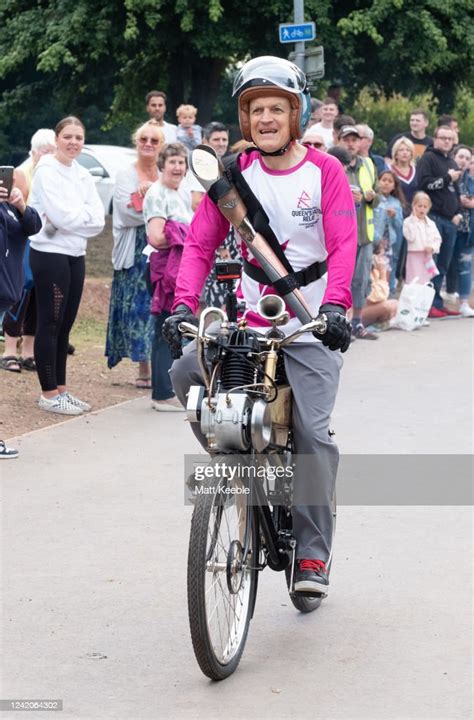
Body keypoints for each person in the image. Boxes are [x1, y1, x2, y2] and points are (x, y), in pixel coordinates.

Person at [163, 56, 357, 596]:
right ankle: (244, 474)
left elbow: (344, 246)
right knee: (185, 377)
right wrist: (182, 306)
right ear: (245, 119)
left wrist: (337, 308)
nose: (267, 118)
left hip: (311, 324)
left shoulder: (327, 172)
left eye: (277, 108)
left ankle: (313, 554)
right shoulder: (231, 175)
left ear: (294, 115)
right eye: (256, 109)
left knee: (314, 434)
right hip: (247, 323)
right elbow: (200, 245)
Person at [29, 116, 105, 415]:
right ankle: (48, 393)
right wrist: (75, 220)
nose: (73, 142)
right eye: (68, 136)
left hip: (75, 253)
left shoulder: (83, 174)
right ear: (57, 139)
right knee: (49, 322)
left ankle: (61, 389)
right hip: (49, 253)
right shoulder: (46, 170)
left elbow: (98, 220)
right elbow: (59, 216)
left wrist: (74, 223)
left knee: (65, 326)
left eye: (78, 137)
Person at [105, 120, 163, 386]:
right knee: (139, 308)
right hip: (135, 249)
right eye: (143, 140)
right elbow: (126, 213)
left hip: (163, 247)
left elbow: (180, 208)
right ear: (136, 143)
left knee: (159, 306)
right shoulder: (125, 174)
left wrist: (148, 201)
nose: (148, 144)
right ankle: (144, 368)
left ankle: (163, 366)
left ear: (161, 145)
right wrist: (155, 206)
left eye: (154, 140)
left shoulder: (167, 172)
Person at [2, 129, 56, 373]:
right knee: (20, 292)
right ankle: (10, 349)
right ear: (33, 152)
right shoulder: (21, 175)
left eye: (52, 150)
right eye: (45, 150)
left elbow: (34, 221)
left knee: (37, 296)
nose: (49, 155)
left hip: (50, 242)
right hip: (23, 248)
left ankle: (28, 350)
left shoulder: (57, 174)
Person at [143, 143, 192, 411]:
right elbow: (157, 237)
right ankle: (161, 393)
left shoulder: (180, 193)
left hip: (180, 267)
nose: (177, 167)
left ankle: (172, 388)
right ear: (162, 165)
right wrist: (183, 232)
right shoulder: (157, 194)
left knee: (178, 327)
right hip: (162, 269)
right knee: (165, 329)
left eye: (181, 162)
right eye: (172, 162)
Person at [336, 124, 380, 339]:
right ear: (339, 141)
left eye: (355, 139)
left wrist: (371, 197)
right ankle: (341, 324)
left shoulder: (369, 164)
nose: (351, 144)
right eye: (347, 140)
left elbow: (378, 195)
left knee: (362, 281)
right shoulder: (333, 164)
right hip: (342, 235)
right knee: (342, 280)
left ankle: (357, 324)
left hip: (364, 234)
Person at [416, 126, 463, 317]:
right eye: (442, 137)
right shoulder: (428, 158)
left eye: (449, 139)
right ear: (434, 139)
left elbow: (456, 191)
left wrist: (458, 212)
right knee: (431, 263)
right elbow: (424, 184)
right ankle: (427, 305)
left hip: (451, 220)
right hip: (433, 218)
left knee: (443, 264)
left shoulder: (451, 160)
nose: (446, 141)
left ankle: (437, 302)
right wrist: (447, 178)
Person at [445, 146, 474, 317]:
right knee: (443, 263)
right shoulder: (448, 175)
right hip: (449, 225)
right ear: (454, 157)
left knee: (465, 265)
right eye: (461, 156)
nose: (463, 161)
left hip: (467, 230)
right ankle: (436, 301)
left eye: (467, 158)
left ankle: (463, 302)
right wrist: (458, 200)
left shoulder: (471, 180)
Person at [374, 170, 405, 296]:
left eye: (390, 181)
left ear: (394, 186)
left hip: (389, 242)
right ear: (378, 182)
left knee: (389, 268)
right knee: (374, 267)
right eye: (384, 180)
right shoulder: (374, 199)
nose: (386, 183)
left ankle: (389, 294)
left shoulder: (396, 202)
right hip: (375, 240)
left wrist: (394, 215)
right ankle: (374, 294)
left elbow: (399, 224)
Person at [403, 192, 442, 284]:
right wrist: (414, 219)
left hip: (427, 257)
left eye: (425, 207)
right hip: (414, 256)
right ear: (414, 206)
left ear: (429, 208)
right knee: (413, 281)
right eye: (419, 206)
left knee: (425, 281)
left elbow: (437, 239)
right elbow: (410, 237)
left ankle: (424, 298)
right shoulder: (408, 222)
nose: (422, 209)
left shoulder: (431, 224)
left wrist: (432, 247)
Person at [388, 137, 418, 208]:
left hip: (413, 213)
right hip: (394, 211)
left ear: (411, 154)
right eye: (401, 150)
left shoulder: (417, 170)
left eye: (408, 150)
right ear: (395, 154)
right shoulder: (388, 170)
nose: (405, 152)